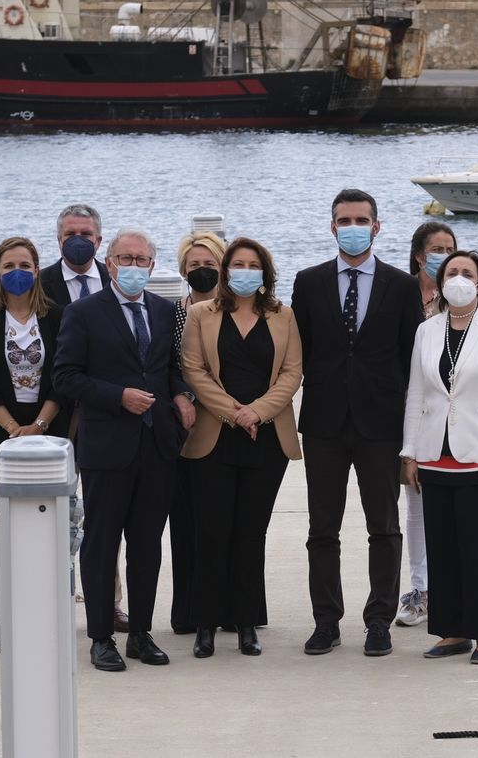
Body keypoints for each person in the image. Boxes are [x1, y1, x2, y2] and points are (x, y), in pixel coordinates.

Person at [53, 230, 196, 672]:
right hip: (107, 446)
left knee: (147, 545)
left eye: (142, 259)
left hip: (156, 445)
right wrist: (119, 396)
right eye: (125, 258)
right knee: (100, 543)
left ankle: (140, 634)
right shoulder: (82, 313)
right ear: (110, 263)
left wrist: (183, 395)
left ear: (153, 266)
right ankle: (100, 637)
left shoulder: (165, 309)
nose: (134, 266)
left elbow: (170, 367)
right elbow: (65, 377)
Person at [292, 188, 424, 657]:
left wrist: (413, 435)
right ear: (332, 227)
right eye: (344, 220)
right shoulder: (308, 283)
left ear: (377, 226)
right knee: (321, 528)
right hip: (325, 422)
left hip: (381, 423)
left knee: (383, 528)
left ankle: (379, 622)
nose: (353, 227)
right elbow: (298, 352)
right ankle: (326, 620)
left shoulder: (402, 286)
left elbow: (412, 364)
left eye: (361, 219)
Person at [400, 251, 478, 665]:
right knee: (443, 548)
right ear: (440, 282)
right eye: (451, 272)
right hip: (435, 455)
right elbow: (417, 394)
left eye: (467, 273)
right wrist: (410, 453)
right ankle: (452, 631)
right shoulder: (428, 330)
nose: (458, 278)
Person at [180, 237, 302, 658]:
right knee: (211, 530)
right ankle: (205, 625)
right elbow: (194, 370)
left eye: (254, 265)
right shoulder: (201, 314)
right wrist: (235, 413)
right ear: (226, 271)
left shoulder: (284, 316)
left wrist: (257, 413)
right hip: (215, 436)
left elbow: (291, 374)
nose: (245, 271)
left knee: (251, 532)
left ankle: (248, 623)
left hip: (266, 438)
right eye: (238, 264)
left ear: (265, 273)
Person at [0, 236, 70, 640]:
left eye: (25, 265)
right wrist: (13, 430)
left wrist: (39, 426)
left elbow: (63, 376)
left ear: (37, 270)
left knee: (50, 527)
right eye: (9, 266)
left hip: (49, 434)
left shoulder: (57, 317)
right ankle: (5, 620)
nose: (17, 273)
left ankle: (47, 616)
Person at [36, 202, 128, 634]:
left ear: (99, 239)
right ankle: (49, 606)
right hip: (56, 415)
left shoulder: (119, 280)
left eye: (87, 233)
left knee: (104, 516)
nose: (79, 239)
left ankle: (108, 605)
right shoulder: (40, 285)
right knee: (49, 515)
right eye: (71, 232)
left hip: (109, 413)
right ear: (58, 239)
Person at [395, 220, 457, 629]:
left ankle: (447, 589)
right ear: (420, 254)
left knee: (446, 505)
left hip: (447, 415)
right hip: (400, 410)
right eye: (436, 249)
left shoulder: (461, 298)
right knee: (414, 504)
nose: (442, 256)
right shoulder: (398, 294)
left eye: (449, 249)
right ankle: (420, 589)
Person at [168, 231, 227, 634]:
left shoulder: (239, 311)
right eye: (194, 266)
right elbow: (167, 367)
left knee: (229, 522)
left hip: (231, 426)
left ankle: (232, 610)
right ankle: (188, 610)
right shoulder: (172, 313)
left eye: (209, 264)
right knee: (187, 523)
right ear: (182, 270)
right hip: (185, 429)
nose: (202, 271)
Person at [40, 203, 109, 308]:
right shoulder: (39, 283)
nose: (78, 241)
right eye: (70, 234)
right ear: (59, 241)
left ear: (98, 241)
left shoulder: (114, 278)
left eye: (85, 234)